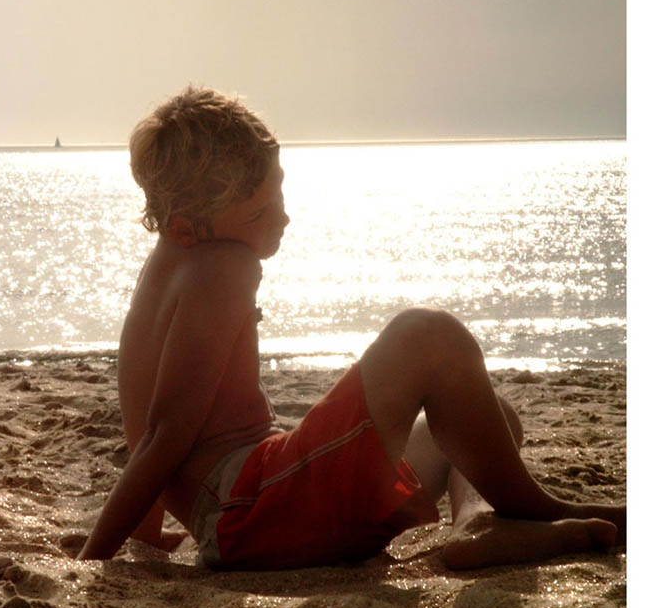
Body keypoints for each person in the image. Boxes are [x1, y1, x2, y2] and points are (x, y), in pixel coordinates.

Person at [77, 86, 625, 569]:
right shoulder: (223, 267)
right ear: (185, 226)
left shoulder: (166, 271)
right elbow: (164, 434)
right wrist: (92, 563)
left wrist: (148, 538)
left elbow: (143, 421)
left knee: (486, 417)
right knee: (426, 335)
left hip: (247, 516)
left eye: (280, 195)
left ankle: (477, 523)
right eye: (258, 212)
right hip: (253, 510)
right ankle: (539, 510)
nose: (282, 218)